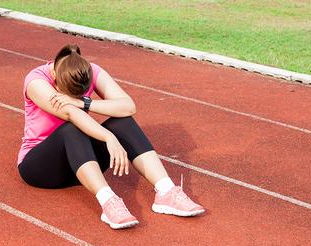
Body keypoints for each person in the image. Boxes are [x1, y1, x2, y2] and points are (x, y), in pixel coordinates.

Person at [17, 44, 204, 229]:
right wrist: (108, 137)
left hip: (80, 164)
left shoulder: (90, 72)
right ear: (55, 77)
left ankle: (166, 191)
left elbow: (128, 106)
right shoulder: (36, 81)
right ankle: (109, 202)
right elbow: (70, 114)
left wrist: (84, 102)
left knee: (122, 121)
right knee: (71, 128)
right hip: (41, 168)